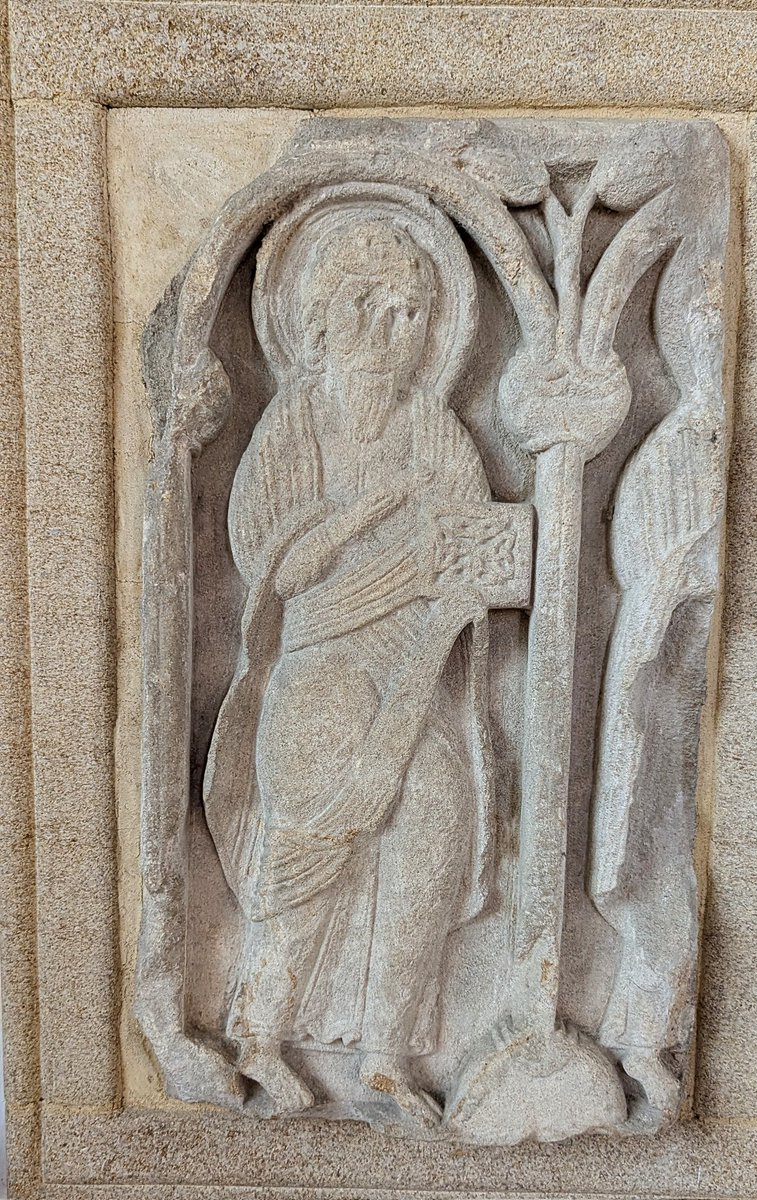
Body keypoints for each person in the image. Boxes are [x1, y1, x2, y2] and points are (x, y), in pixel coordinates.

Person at [204, 217, 495, 1127]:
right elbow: (279, 568)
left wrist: (483, 567)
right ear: (326, 319)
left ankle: (386, 1054)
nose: (395, 332)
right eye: (375, 310)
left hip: (416, 661)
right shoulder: (296, 421)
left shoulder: (431, 426)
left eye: (414, 314)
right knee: (311, 842)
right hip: (323, 652)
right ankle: (258, 1033)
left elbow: (472, 545)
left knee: (436, 826)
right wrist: (368, 509)